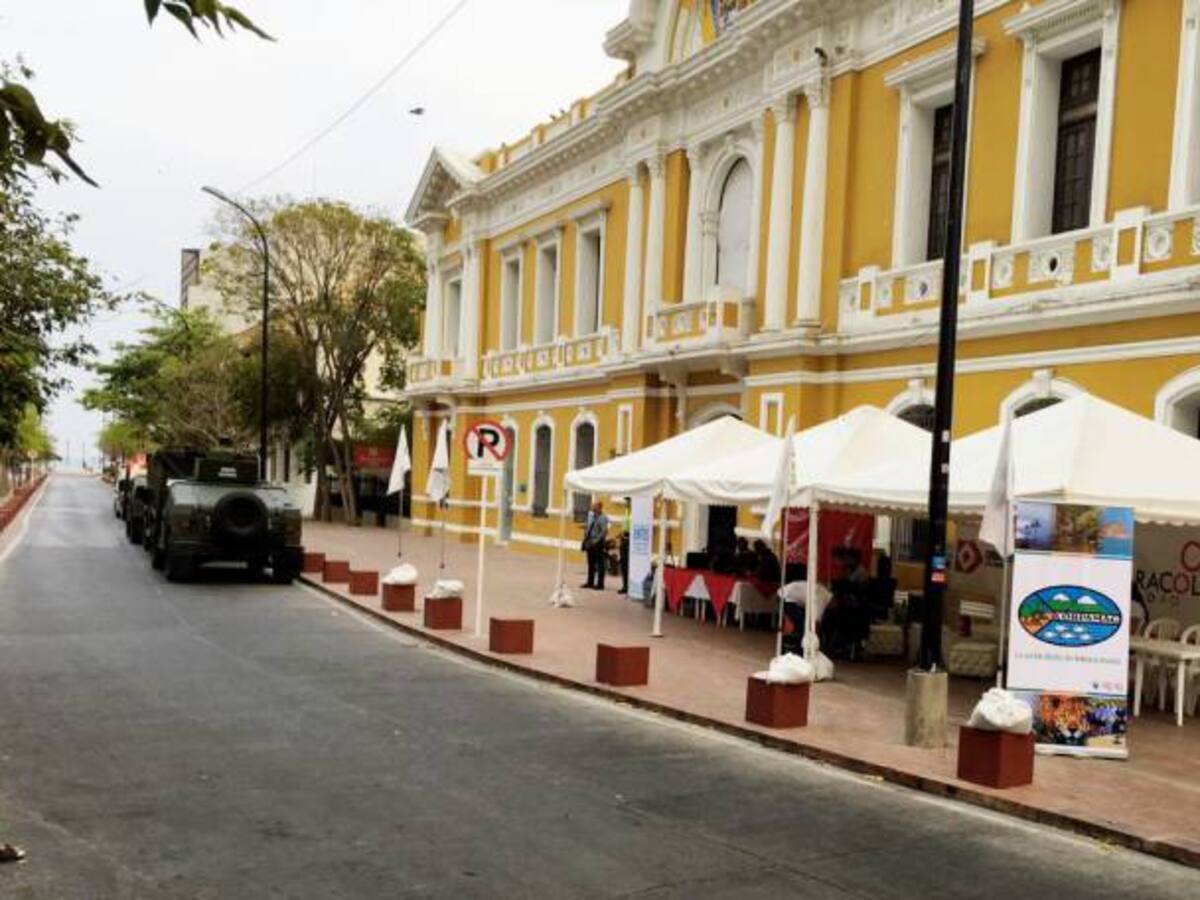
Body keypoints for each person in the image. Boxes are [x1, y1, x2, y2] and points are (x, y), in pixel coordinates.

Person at [581, 501, 610, 590]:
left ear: (599, 508)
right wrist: (585, 532)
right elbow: (589, 526)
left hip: (598, 543)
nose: (592, 508)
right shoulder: (591, 516)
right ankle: (590, 582)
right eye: (592, 506)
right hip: (590, 542)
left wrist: (596, 541)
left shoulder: (603, 518)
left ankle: (600, 584)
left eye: (594, 506)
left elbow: (604, 532)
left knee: (600, 564)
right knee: (591, 563)